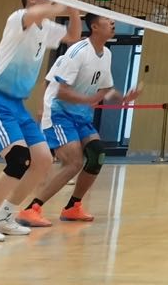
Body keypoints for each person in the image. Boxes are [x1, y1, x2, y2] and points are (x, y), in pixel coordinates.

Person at [0, 0, 81, 242]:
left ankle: (4, 217)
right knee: (18, 160)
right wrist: (64, 2)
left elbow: (73, 36)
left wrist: (73, 9)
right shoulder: (19, 18)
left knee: (43, 160)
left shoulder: (46, 27)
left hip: (17, 104)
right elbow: (42, 12)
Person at [27, 14, 141, 223]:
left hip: (81, 116)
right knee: (74, 162)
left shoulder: (106, 54)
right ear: (95, 27)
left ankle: (73, 207)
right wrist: (89, 99)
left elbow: (105, 88)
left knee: (97, 155)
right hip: (59, 113)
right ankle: (32, 209)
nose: (113, 23)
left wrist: (123, 97)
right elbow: (60, 91)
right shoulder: (77, 52)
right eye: (107, 20)